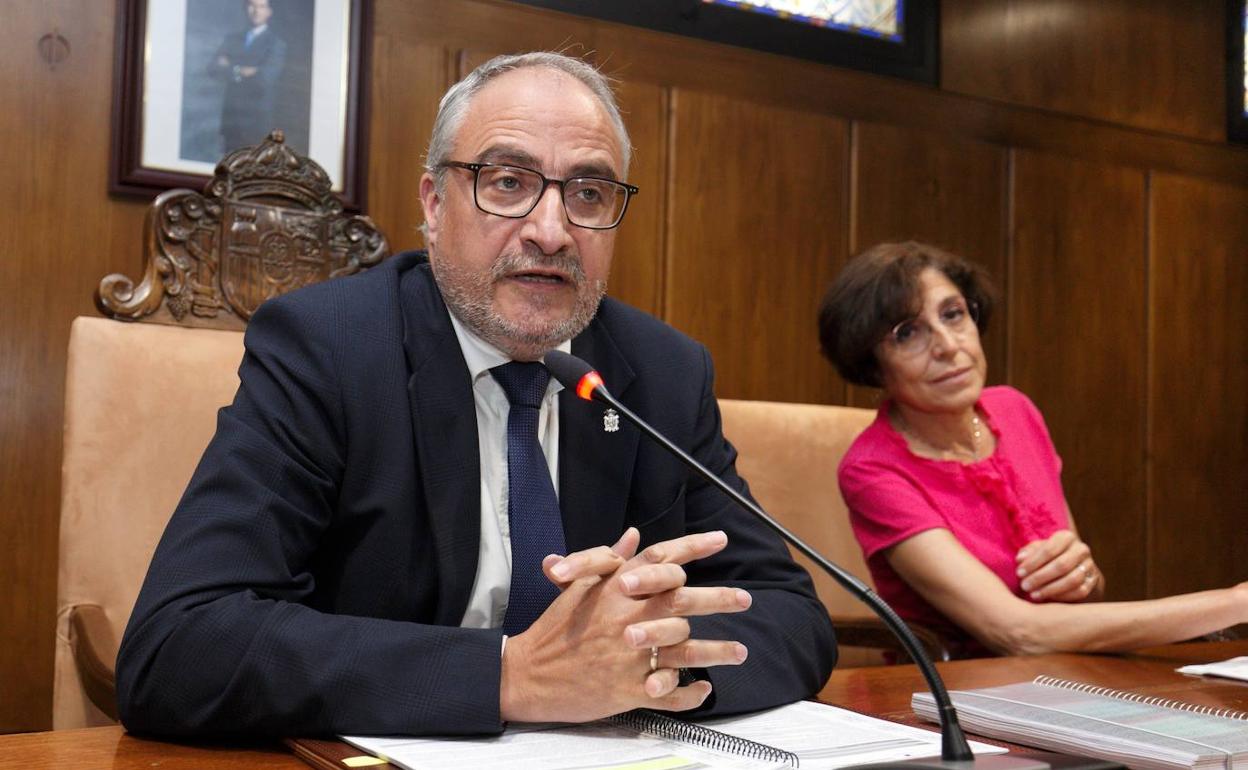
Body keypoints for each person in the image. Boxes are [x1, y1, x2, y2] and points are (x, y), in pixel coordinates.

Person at [116, 52, 836, 737]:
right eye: (508, 183)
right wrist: (511, 676)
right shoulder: (327, 348)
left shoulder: (661, 374)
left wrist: (643, 657)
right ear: (434, 204)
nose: (551, 232)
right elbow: (179, 645)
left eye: (588, 194)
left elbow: (791, 617)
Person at [817, 241, 1247, 659]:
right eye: (907, 333)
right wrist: (1234, 603)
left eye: (953, 314)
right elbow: (1017, 633)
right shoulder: (872, 470)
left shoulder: (1015, 410)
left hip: (1066, 669)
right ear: (872, 365)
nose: (948, 345)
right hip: (957, 688)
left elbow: (1081, 594)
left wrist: (1083, 578)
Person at [212, 0, 286, 152]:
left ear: (269, 11)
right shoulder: (232, 39)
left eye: (261, 6)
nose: (256, 11)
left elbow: (265, 78)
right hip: (231, 121)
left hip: (257, 124)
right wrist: (243, 70)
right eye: (252, 5)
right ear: (245, 8)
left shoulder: (276, 44)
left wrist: (231, 67)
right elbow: (213, 69)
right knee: (228, 164)